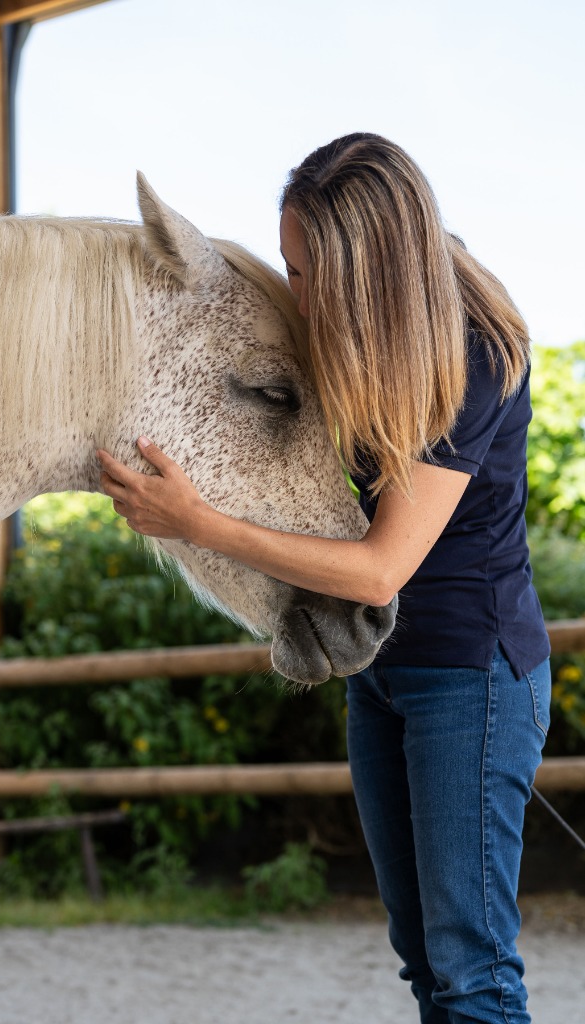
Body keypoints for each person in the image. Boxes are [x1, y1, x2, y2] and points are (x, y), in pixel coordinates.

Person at [97, 133, 551, 1024]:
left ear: (365, 270)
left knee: (471, 970)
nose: (294, 293)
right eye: (288, 265)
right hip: (379, 670)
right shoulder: (366, 340)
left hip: (469, 677)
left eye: (305, 273)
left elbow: (380, 569)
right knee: (422, 958)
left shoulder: (469, 354)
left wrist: (198, 524)